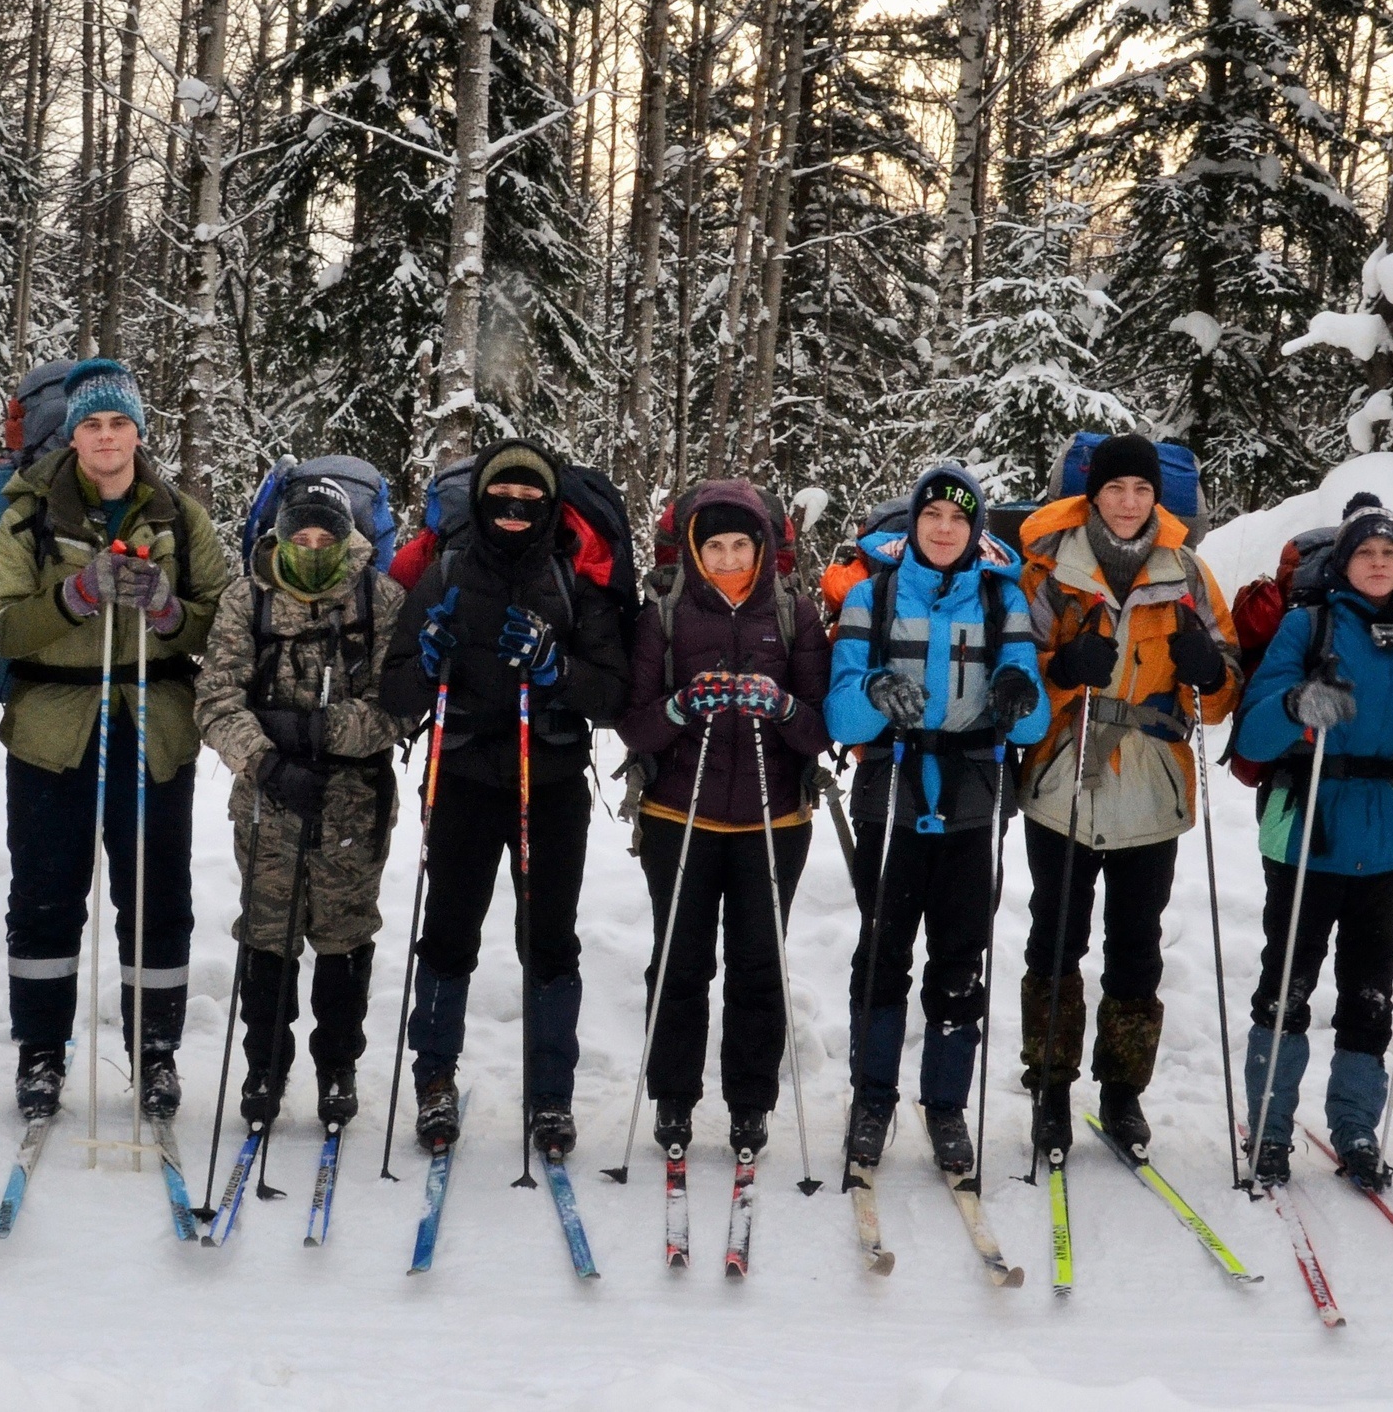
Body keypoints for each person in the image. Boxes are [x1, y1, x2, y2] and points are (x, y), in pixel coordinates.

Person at [1231, 494, 1393, 1188]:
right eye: (1365, 553)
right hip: (1308, 830)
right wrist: (1295, 706)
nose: (1377, 563)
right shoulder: (1305, 627)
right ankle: (1269, 1125)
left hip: (1391, 838)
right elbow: (1253, 734)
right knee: (1286, 985)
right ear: (1345, 563)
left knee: (1370, 989)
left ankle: (1354, 1125)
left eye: (1390, 554)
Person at [0, 360, 227, 1120]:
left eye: (120, 423)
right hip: (53, 732)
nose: (107, 437)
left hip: (154, 729)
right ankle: (41, 1053)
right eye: (92, 424)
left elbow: (224, 627)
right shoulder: (27, 513)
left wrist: (167, 613)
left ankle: (155, 1055)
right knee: (47, 898)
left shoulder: (181, 517)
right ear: (74, 435)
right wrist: (74, 596)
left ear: (139, 433)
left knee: (156, 898)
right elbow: (0, 626)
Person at [377, 439, 633, 1157]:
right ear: (481, 502)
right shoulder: (447, 571)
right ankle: (434, 1080)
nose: (514, 512)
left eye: (529, 502)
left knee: (549, 940)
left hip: (547, 782)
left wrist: (558, 668)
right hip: (461, 775)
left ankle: (551, 1095)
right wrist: (427, 659)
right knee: (449, 931)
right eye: (501, 499)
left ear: (550, 507)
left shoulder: (572, 578)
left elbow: (613, 693)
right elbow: (395, 688)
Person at [1012, 433, 1243, 1158]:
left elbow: (1222, 689)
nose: (1128, 502)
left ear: (1157, 498)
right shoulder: (1050, 573)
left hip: (1152, 781)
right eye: (1115, 489)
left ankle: (1122, 1094)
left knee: (1135, 946)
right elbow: (1016, 684)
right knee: (1055, 938)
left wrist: (1212, 674)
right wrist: (1061, 668)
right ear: (1092, 494)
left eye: (1141, 490)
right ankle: (1050, 1091)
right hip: (1064, 780)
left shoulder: (1189, 574)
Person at [826, 463, 1051, 1175]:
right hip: (891, 789)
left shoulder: (1000, 600)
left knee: (960, 959)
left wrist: (1018, 691)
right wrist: (873, 688)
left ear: (975, 528)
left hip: (974, 796)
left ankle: (946, 1104)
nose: (945, 529)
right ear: (916, 525)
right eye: (933, 517)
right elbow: (839, 708)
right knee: (883, 952)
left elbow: (1031, 718)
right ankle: (872, 1098)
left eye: (958, 519)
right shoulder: (872, 595)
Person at [616, 483, 832, 1156]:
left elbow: (823, 727)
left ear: (765, 547)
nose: (732, 556)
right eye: (717, 545)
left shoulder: (795, 614)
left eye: (743, 544)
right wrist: (681, 706)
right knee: (679, 963)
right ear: (694, 551)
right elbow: (634, 724)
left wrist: (784, 708)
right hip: (678, 816)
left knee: (758, 965)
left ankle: (751, 1102)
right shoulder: (665, 616)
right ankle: (673, 1099)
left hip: (775, 819)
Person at [195, 475, 405, 1129]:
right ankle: (264, 1065)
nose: (313, 548)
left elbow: (400, 704)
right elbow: (216, 696)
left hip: (354, 799)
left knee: (345, 934)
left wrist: (325, 732)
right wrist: (266, 758)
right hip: (268, 797)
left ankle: (338, 1068)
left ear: (347, 541)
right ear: (281, 536)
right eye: (301, 536)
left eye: (326, 538)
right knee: (267, 931)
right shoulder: (247, 597)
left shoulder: (380, 598)